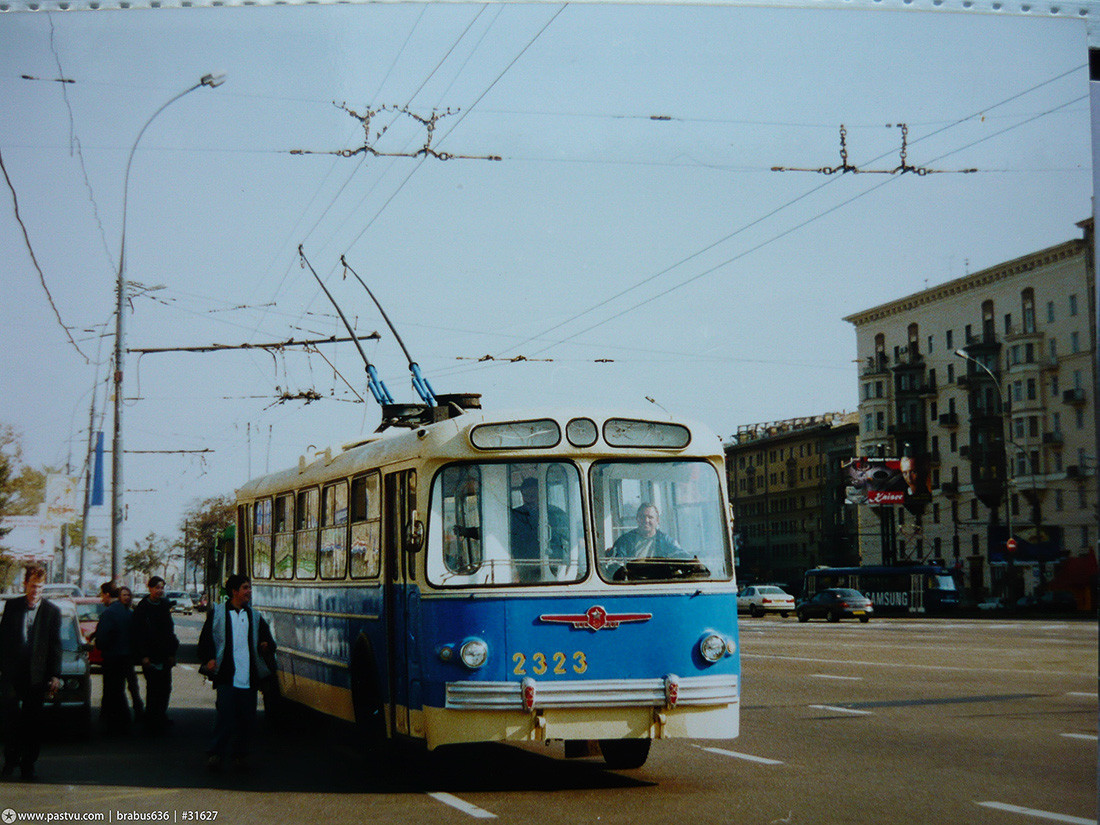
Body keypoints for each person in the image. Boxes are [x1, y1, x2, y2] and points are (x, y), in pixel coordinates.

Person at [197, 574, 275, 772]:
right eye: (245, 588)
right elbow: (205, 642)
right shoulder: (219, 614)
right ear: (234, 591)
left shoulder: (255, 617)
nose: (249, 592)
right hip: (227, 676)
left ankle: (240, 755)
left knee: (247, 719)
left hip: (248, 678)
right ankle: (215, 753)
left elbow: (269, 642)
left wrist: (266, 646)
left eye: (249, 588)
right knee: (225, 716)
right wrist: (209, 660)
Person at [0, 565, 62, 781]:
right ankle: (10, 759)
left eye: (40, 587)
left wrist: (55, 675)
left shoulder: (52, 612)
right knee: (9, 717)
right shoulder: (12, 606)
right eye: (33, 585)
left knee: (32, 722)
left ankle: (28, 764)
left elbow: (55, 645)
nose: (36, 590)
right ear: (25, 584)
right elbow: (4, 638)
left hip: (36, 676)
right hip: (11, 673)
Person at [132, 576, 178, 734]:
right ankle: (152, 719)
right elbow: (138, 635)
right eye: (157, 587)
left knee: (165, 687)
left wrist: (172, 653)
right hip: (150, 655)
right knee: (153, 688)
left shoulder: (164, 606)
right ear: (150, 588)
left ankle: (161, 715)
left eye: (162, 588)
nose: (159, 591)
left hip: (164, 654)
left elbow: (170, 632)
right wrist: (143, 656)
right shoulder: (142, 608)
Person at [510, 477, 568, 581]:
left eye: (532, 495)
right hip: (524, 568)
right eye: (525, 495)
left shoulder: (557, 514)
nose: (528, 499)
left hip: (553, 568)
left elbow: (571, 537)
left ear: (542, 494)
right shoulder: (514, 516)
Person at [94, 582, 133, 733]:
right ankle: (122, 721)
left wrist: (100, 644)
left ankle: (116, 723)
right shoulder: (128, 612)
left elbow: (102, 638)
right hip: (126, 656)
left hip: (112, 657)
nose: (101, 599)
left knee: (112, 691)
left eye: (102, 595)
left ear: (108, 595)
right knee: (119, 690)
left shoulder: (109, 613)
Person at [608, 504, 686, 561]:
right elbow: (615, 565)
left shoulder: (666, 541)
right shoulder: (625, 541)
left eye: (650, 517)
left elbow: (683, 556)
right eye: (642, 517)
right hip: (633, 581)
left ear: (657, 520)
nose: (646, 520)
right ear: (637, 519)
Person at [117, 587, 144, 721]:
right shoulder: (116, 612)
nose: (126, 597)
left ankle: (138, 709)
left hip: (128, 654)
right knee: (120, 686)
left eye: (128, 595)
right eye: (124, 595)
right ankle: (124, 713)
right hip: (118, 654)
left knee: (133, 684)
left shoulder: (131, 613)